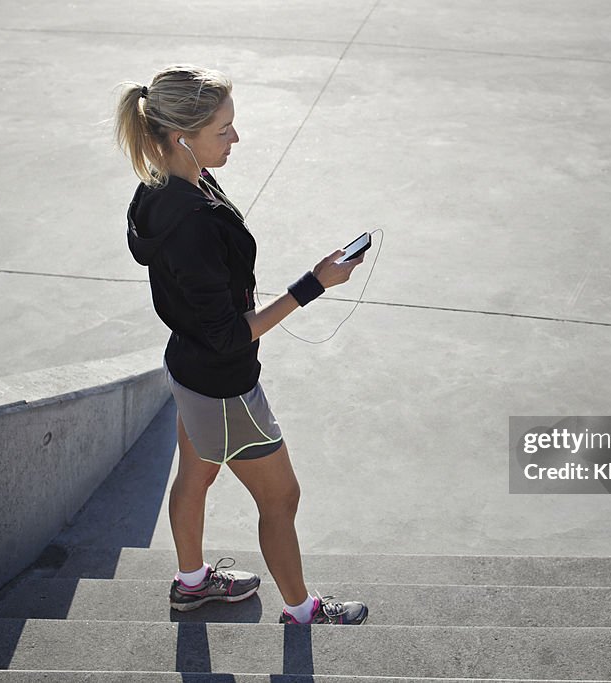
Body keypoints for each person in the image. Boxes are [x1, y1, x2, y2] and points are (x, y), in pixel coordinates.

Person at [115, 64, 367, 625]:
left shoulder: (165, 184)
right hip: (224, 387)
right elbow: (230, 332)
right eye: (223, 129)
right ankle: (304, 612)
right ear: (183, 137)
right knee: (282, 499)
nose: (236, 138)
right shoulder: (193, 223)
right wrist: (314, 284)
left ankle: (192, 584)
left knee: (196, 473)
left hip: (186, 367)